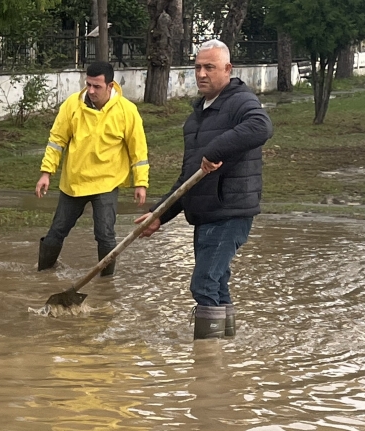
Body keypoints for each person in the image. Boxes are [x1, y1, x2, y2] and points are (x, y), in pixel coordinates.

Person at [135, 40, 273, 340]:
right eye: (197, 67)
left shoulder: (240, 100)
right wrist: (159, 214)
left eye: (209, 67)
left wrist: (215, 150)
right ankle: (224, 348)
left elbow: (261, 126)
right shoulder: (197, 115)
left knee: (204, 283)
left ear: (227, 69)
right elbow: (189, 176)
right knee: (217, 282)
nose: (201, 73)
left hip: (229, 211)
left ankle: (206, 362)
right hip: (206, 213)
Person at [35, 61, 149, 276]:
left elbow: (138, 150)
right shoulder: (72, 105)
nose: (91, 90)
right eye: (88, 85)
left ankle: (106, 284)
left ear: (110, 86)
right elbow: (56, 141)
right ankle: (42, 274)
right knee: (56, 232)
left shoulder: (127, 111)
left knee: (105, 235)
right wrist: (46, 173)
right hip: (74, 183)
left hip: (107, 183)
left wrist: (141, 183)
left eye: (97, 86)